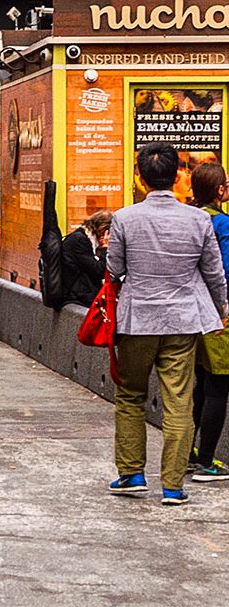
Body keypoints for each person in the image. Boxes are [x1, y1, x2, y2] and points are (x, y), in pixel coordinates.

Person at [108, 144, 229, 504]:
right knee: (179, 399)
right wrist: (221, 308)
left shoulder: (125, 218)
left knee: (131, 395)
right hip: (182, 321)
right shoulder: (198, 220)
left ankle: (131, 474)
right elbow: (213, 273)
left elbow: (114, 270)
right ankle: (174, 486)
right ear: (177, 176)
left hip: (137, 320)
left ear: (142, 178)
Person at [193, 160, 229, 483]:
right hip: (219, 316)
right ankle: (207, 461)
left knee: (200, 386)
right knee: (219, 386)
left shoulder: (191, 218)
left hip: (191, 315)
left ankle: (191, 453)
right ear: (220, 191)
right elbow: (226, 272)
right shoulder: (222, 225)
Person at [62, 210, 113, 308]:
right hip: (76, 295)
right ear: (103, 230)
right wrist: (105, 247)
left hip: (78, 292)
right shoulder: (80, 241)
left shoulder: (83, 237)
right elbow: (99, 270)